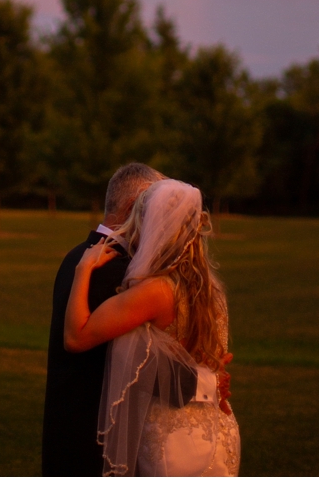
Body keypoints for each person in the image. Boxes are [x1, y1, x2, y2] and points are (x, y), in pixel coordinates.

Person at [64, 178, 239, 477]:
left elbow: (76, 337)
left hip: (175, 438)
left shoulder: (156, 291)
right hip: (219, 427)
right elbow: (214, 361)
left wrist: (83, 270)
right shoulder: (212, 290)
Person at [42, 163, 164, 477]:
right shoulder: (114, 270)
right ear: (132, 208)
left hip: (67, 426)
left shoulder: (79, 254)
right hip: (95, 437)